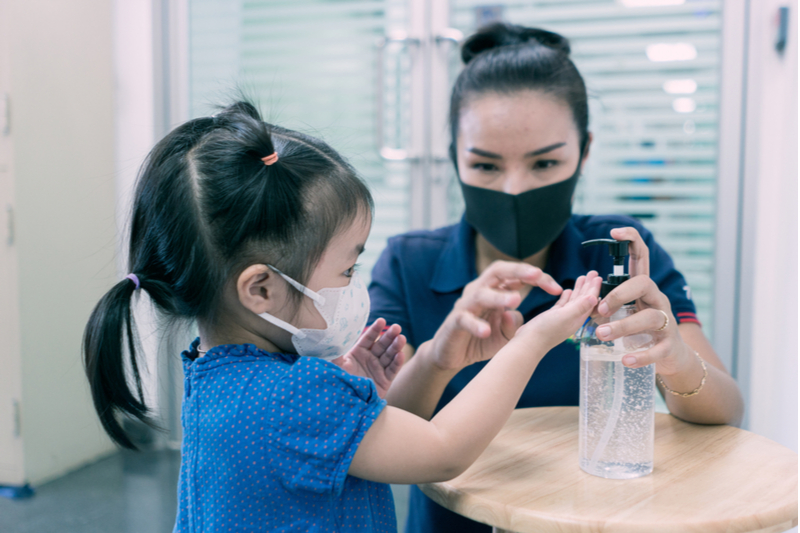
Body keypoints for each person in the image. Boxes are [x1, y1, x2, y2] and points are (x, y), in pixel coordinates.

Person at [82, 101, 603, 532]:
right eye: (348, 268)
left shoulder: (219, 373)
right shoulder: (295, 396)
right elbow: (442, 452)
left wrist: (437, 360)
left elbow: (377, 440)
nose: (355, 282)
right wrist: (532, 341)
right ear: (261, 289)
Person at [368, 22, 745, 533]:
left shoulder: (623, 255)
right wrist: (438, 357)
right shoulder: (409, 263)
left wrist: (674, 358)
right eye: (485, 165)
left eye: (545, 162)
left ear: (584, 152)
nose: (515, 189)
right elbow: (378, 428)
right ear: (455, 156)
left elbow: (726, 411)